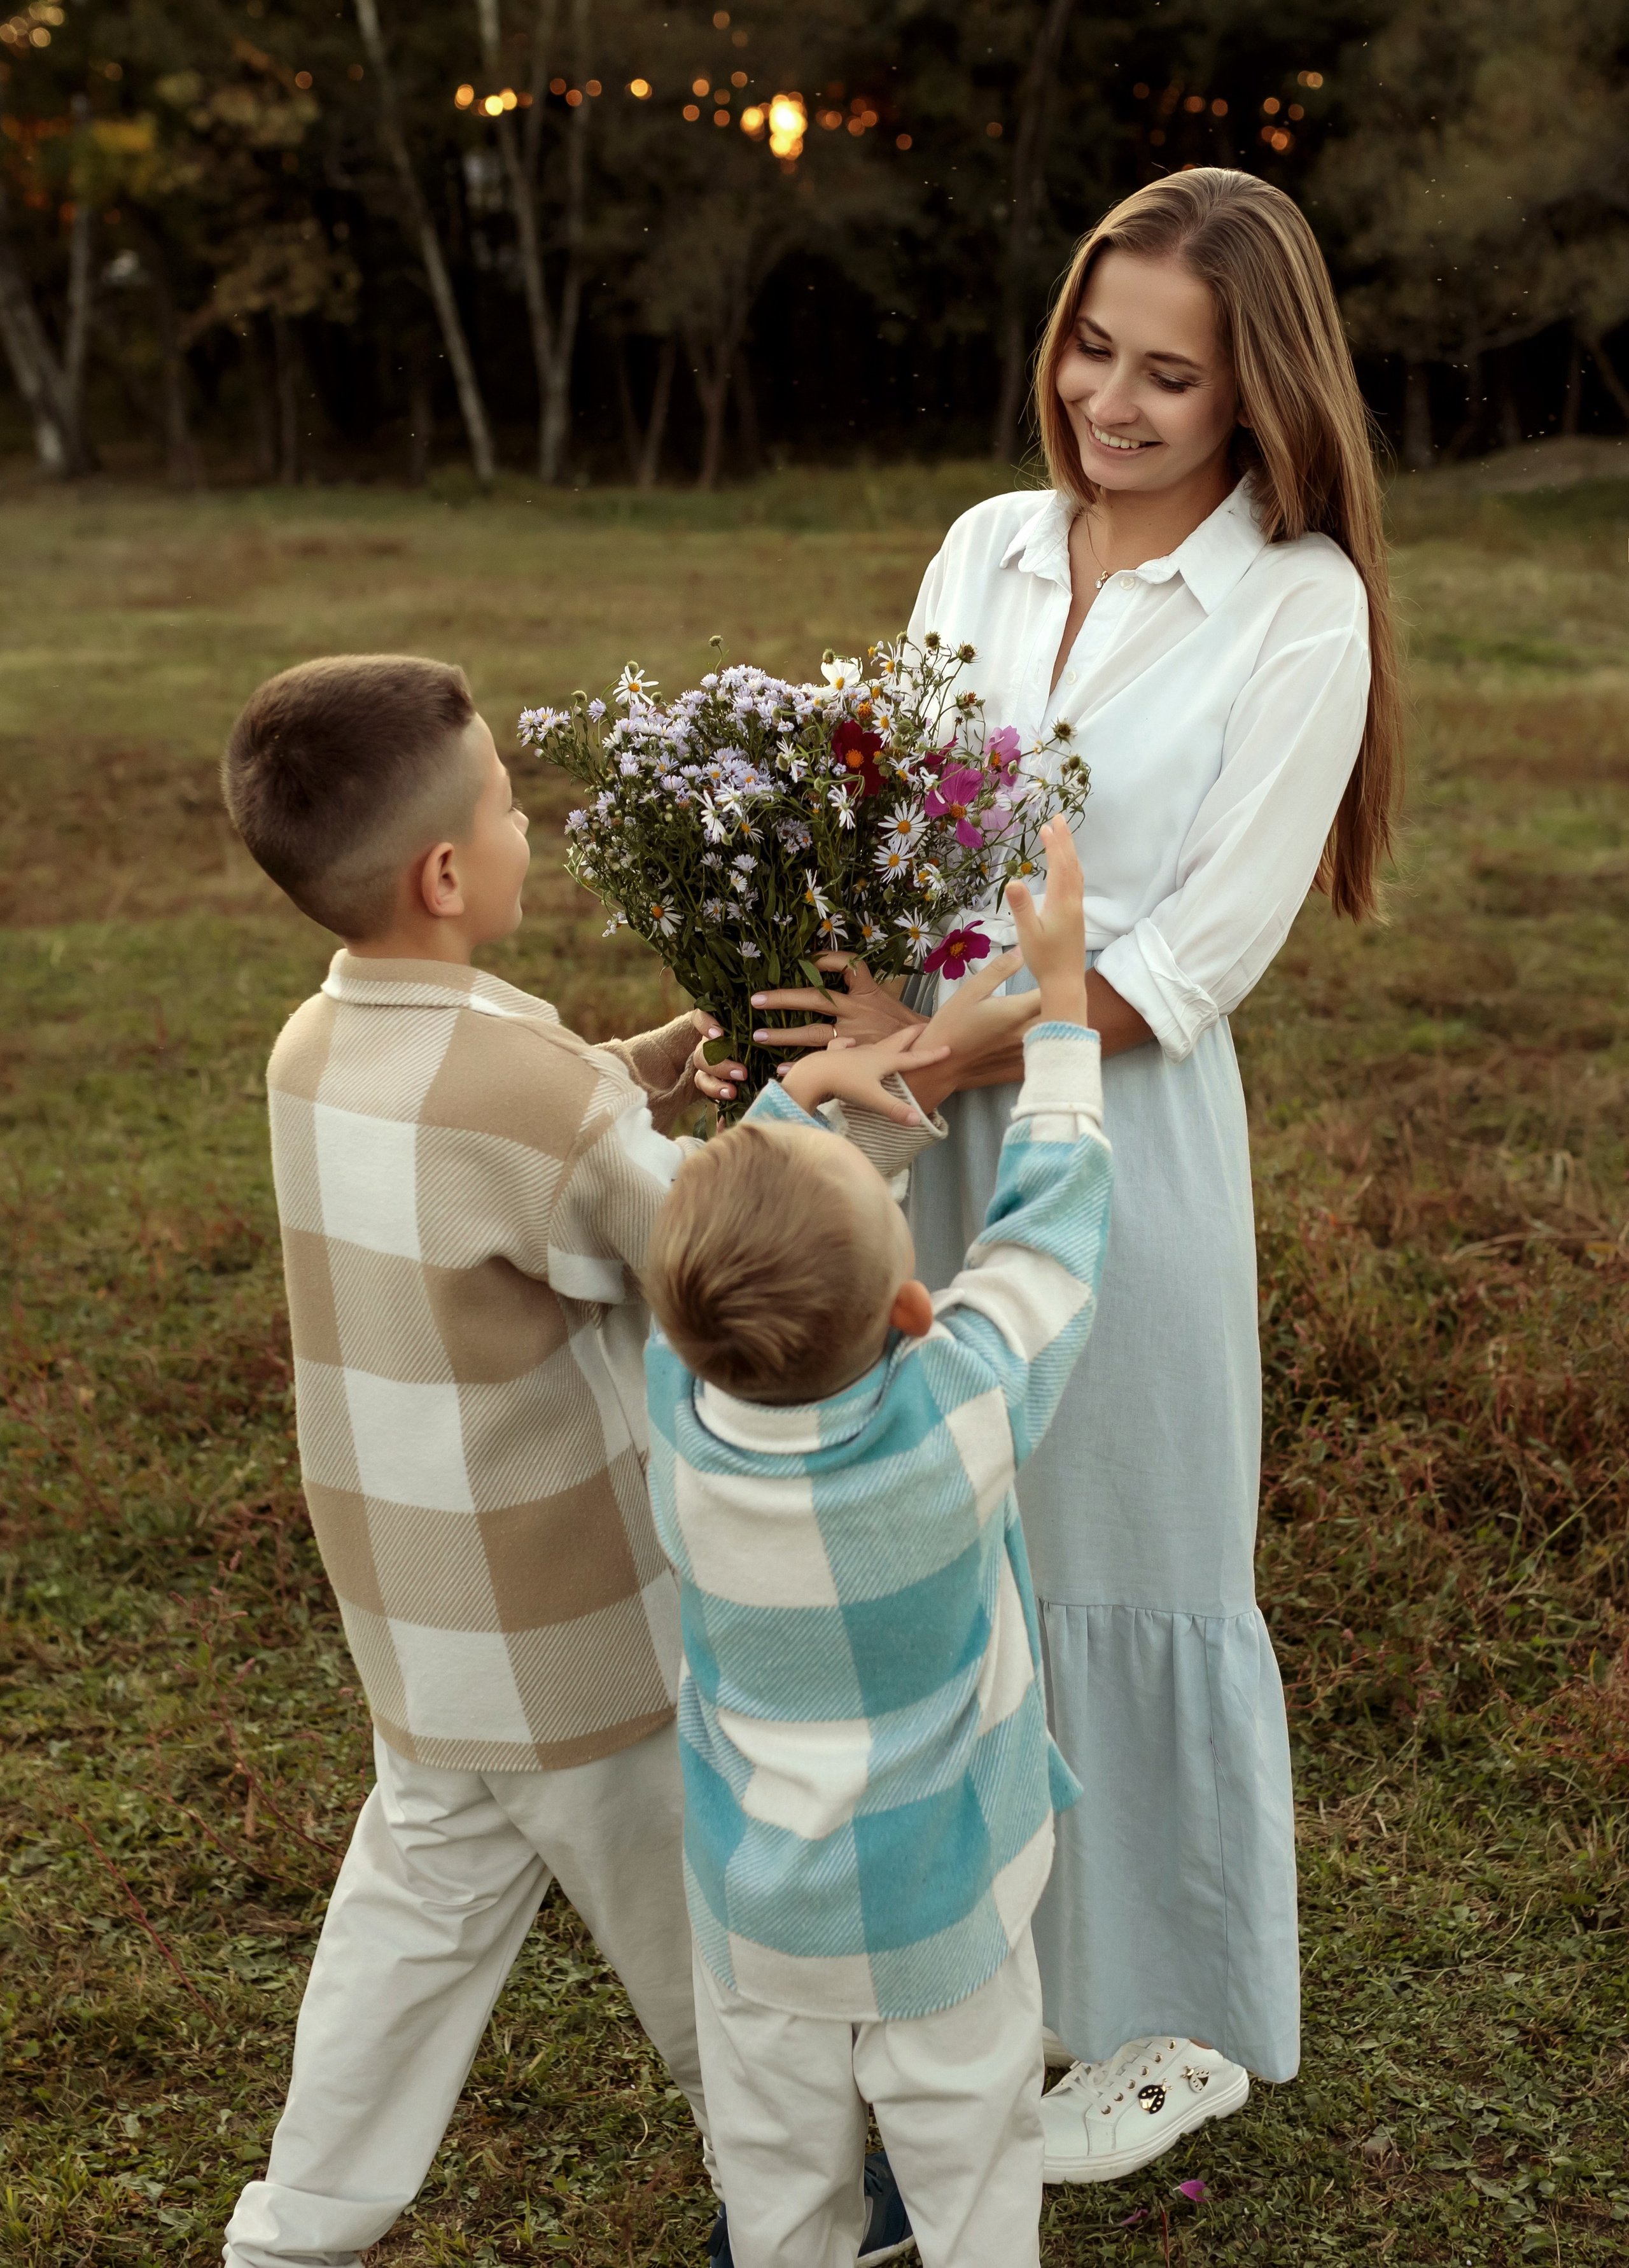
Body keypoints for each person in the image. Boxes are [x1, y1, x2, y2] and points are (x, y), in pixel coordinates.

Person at [743, 168, 1402, 2184]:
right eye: (1092, 348)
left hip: (1108, 1123)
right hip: (917, 1107)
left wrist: (948, 1042)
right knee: (956, 1542)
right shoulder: (988, 543)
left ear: (1259, 389)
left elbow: (1199, 951)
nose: (1111, 401)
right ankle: (984, 1969)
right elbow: (900, 817)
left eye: (1168, 376)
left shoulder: (1300, 603)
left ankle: (1176, 2018)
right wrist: (837, 997)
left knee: (1130, 1543)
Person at [215, 652, 953, 2268]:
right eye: (505, 805)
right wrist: (823, 1106)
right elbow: (708, 1238)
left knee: (408, 1932)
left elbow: (484, 1139)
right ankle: (808, 2213)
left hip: (419, 1637)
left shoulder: (311, 1050)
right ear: (446, 874)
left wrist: (632, 1071)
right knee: (711, 1954)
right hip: (584, 1644)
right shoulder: (533, 1097)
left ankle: (292, 2231)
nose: (526, 826)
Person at [643, 822, 1114, 2268]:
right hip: (938, 1924)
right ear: (914, 1311)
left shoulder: (677, 1416)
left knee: (777, 2192)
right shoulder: (957, 1414)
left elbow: (721, 1230)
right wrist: (1064, 1011)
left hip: (755, 1924)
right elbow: (1049, 1242)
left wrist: (793, 1099)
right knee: (974, 2182)